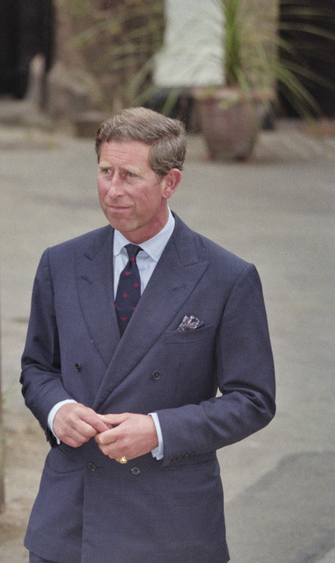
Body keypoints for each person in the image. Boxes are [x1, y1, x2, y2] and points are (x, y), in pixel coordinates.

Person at [20, 107, 277, 562]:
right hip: (71, 520)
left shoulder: (226, 277)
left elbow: (252, 399)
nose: (112, 190)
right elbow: (38, 368)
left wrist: (158, 430)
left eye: (129, 176)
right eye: (105, 171)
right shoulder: (60, 263)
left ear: (170, 182)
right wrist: (57, 411)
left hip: (170, 524)